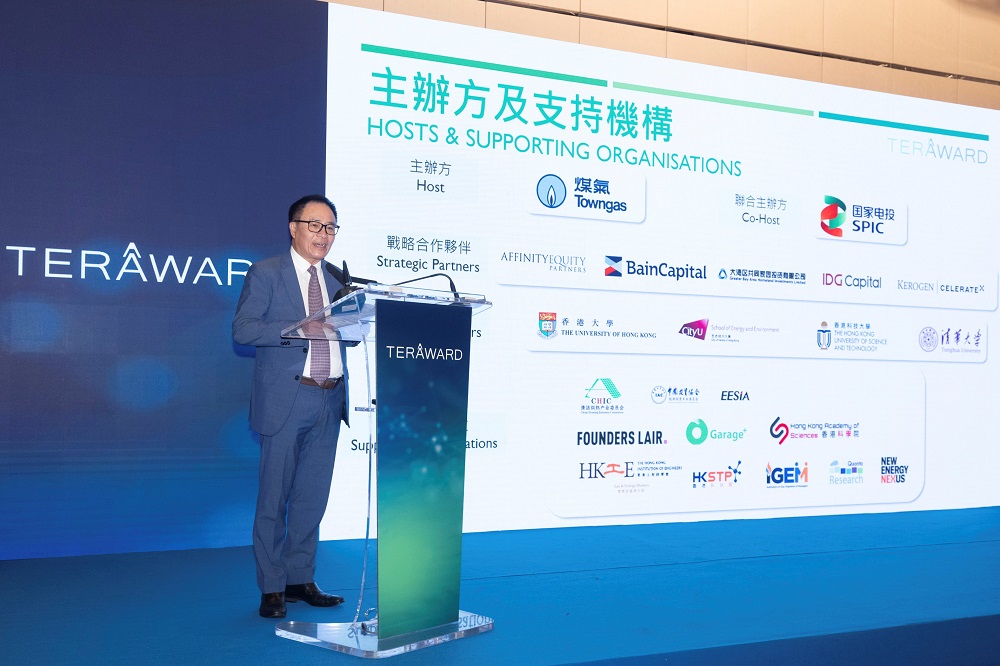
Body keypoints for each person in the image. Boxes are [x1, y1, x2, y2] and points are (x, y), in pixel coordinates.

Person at [233, 194, 351, 619]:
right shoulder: (267, 272)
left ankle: (300, 579)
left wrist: (356, 320)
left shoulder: (337, 279)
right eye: (315, 225)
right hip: (288, 397)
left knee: (311, 498)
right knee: (274, 498)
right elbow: (243, 330)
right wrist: (299, 329)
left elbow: (346, 335)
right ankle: (271, 586)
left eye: (331, 227)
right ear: (293, 228)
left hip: (330, 397)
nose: (324, 235)